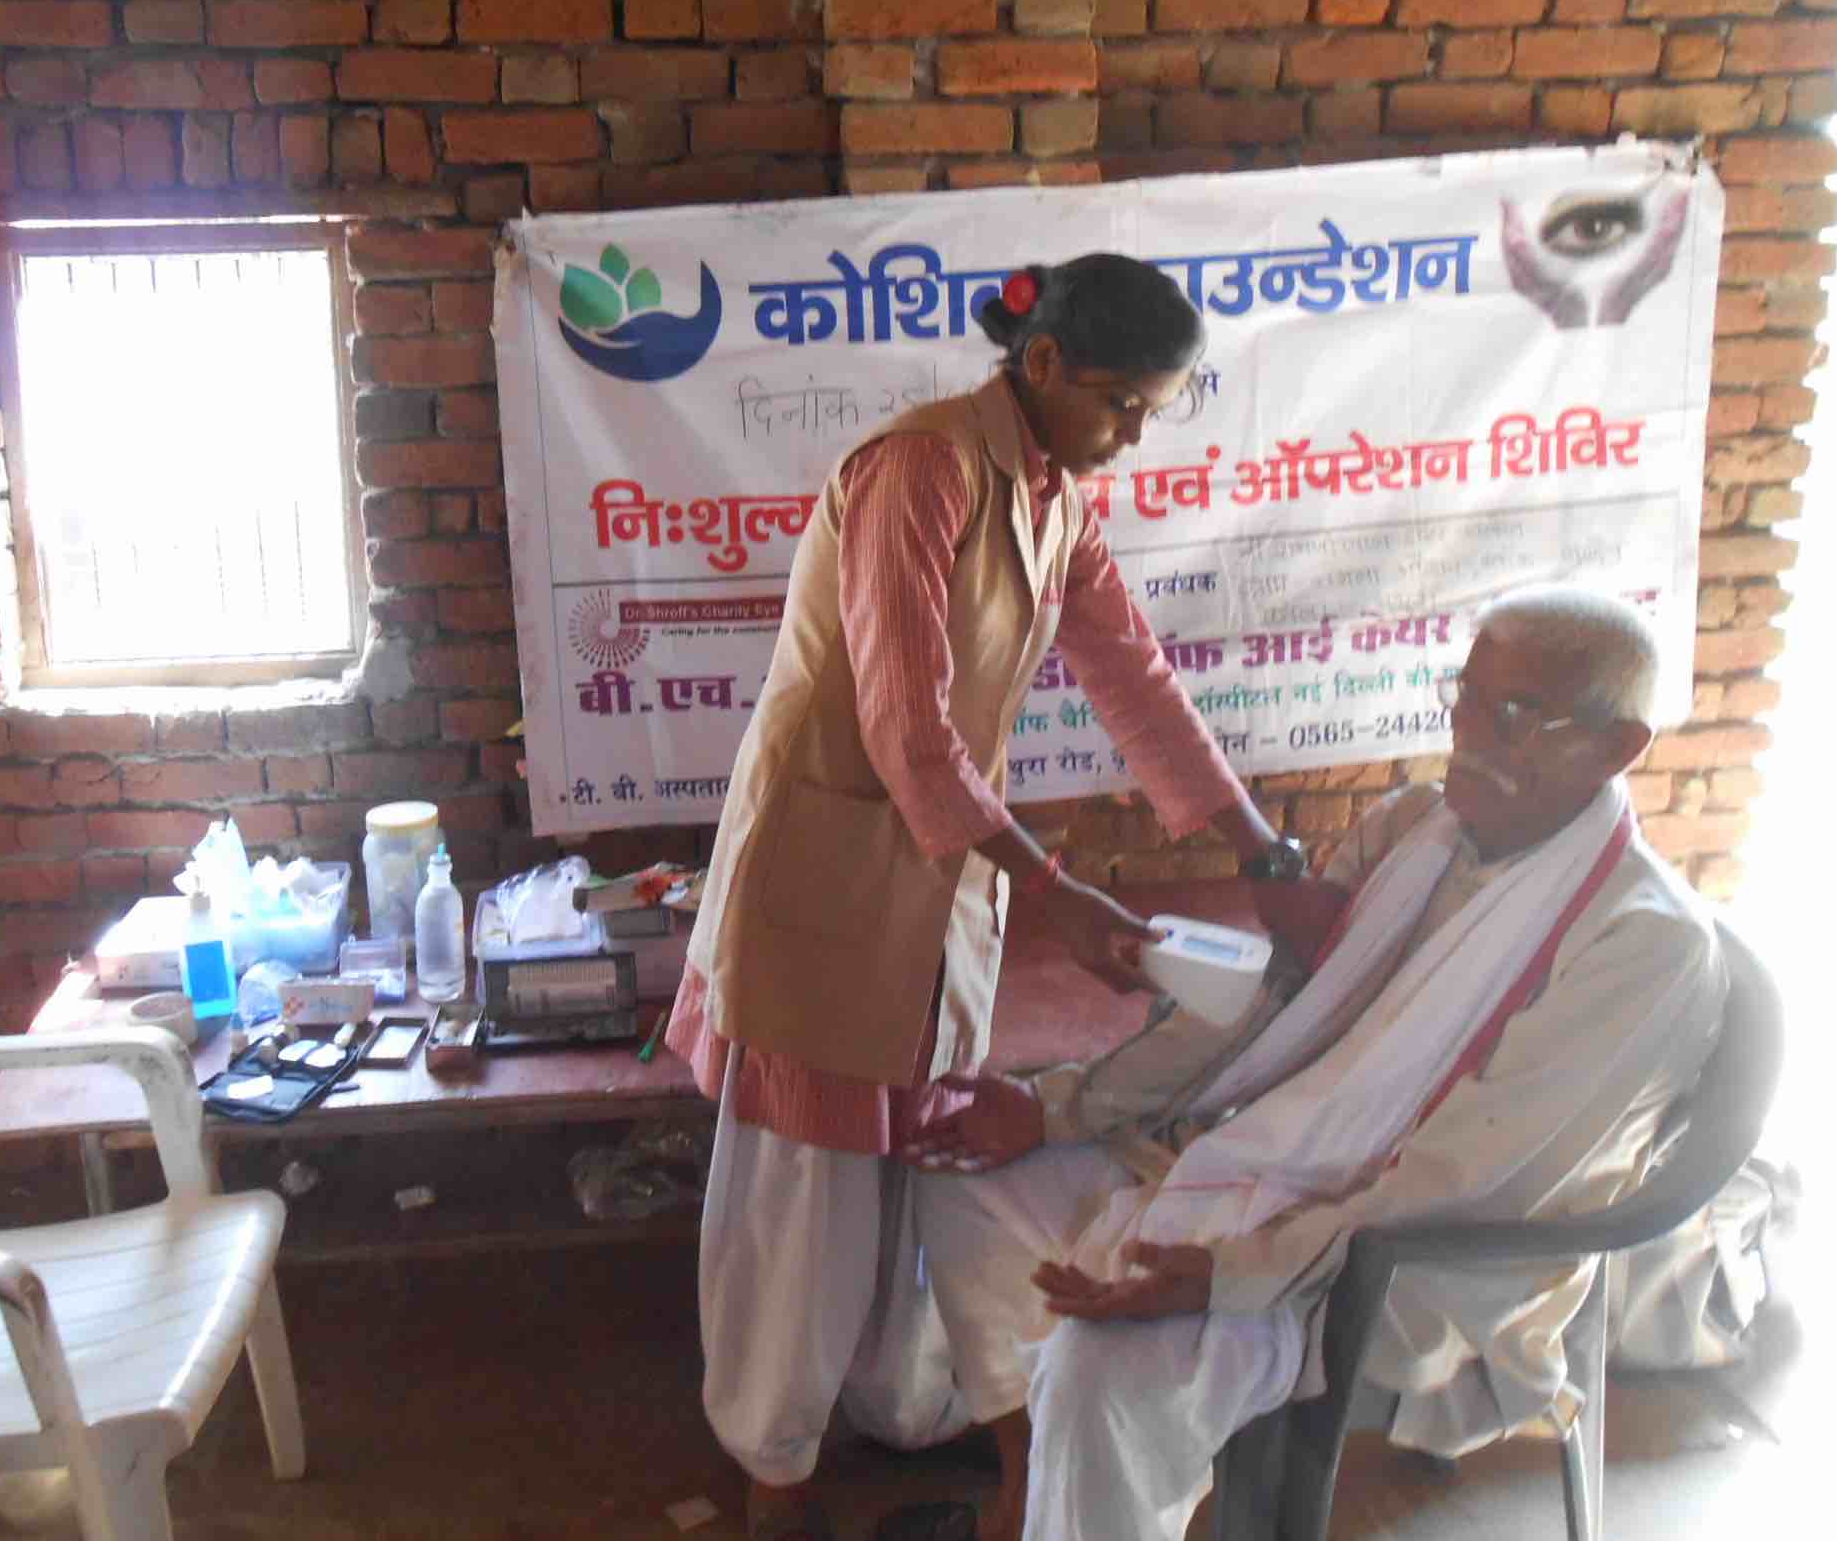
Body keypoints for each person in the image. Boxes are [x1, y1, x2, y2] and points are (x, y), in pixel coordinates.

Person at [661, 254, 1305, 1541]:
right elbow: (906, 729)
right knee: (803, 1199)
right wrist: (1057, 893)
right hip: (823, 869)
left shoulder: (1053, 493)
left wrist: (1259, 850)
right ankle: (774, 1474)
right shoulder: (923, 470)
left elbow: (1132, 675)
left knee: (917, 1158)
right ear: (1044, 363)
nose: (1132, 435)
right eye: (1121, 404)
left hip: (939, 872)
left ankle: (891, 1409)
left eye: (1152, 411)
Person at [906, 586, 1734, 1541]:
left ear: (1618, 747)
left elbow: (1465, 1179)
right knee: (963, 1178)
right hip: (1257, 1162)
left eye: (1514, 715)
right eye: (1466, 696)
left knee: (1102, 1368)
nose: (1468, 734)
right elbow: (1260, 1009)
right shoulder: (1411, 829)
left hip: (1405, 1267)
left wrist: (1233, 1273)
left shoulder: (1642, 945)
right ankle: (1031, 1482)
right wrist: (1054, 1107)